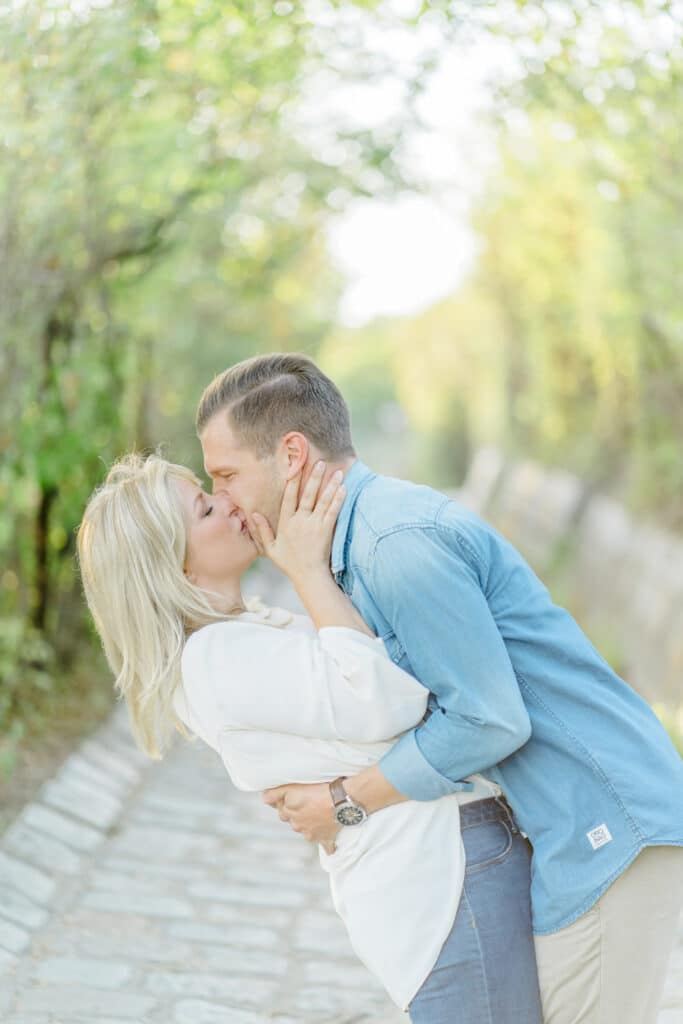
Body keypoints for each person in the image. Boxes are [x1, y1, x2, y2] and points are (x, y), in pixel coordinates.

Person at [195, 351, 683, 1024]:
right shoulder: (355, 545)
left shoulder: (391, 545)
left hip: (600, 816)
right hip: (565, 828)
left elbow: (486, 720)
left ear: (291, 453)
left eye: (226, 475)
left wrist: (343, 801)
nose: (224, 500)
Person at [77, 452, 543, 1021]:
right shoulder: (214, 660)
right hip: (441, 877)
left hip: (444, 868)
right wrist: (306, 569)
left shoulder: (241, 634)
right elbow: (389, 697)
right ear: (175, 569)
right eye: (205, 508)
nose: (228, 502)